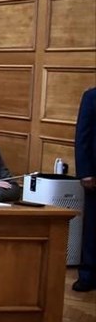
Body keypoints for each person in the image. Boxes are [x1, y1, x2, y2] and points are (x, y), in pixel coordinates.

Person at [74, 87, 96, 292]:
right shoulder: (92, 96)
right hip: (95, 176)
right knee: (92, 227)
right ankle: (88, 275)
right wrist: (85, 172)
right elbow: (82, 136)